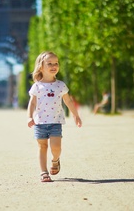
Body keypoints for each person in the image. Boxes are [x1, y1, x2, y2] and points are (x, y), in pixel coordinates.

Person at [27, 51, 82, 182]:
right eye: (50, 63)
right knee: (42, 147)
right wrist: (29, 117)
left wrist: (76, 115)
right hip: (40, 122)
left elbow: (68, 101)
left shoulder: (61, 85)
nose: (54, 65)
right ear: (41, 66)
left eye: (56, 63)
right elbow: (32, 102)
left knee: (56, 147)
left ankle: (55, 160)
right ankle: (44, 172)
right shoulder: (37, 86)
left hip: (56, 121)